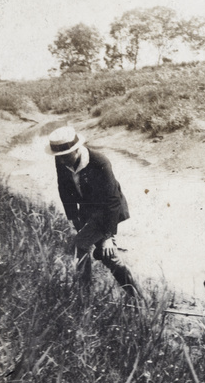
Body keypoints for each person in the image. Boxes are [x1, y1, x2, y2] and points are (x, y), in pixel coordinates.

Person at [46, 125, 142, 299]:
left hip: (108, 210)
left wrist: (107, 236)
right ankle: (136, 297)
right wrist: (73, 217)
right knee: (108, 257)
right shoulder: (61, 160)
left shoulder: (99, 162)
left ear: (76, 150)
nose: (62, 161)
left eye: (66, 156)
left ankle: (84, 294)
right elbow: (64, 189)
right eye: (59, 157)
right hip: (88, 211)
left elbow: (112, 201)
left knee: (81, 244)